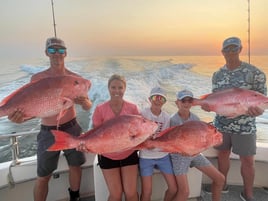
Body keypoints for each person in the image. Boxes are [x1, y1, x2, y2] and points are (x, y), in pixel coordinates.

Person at [8, 37, 92, 201]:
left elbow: (88, 106)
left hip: (72, 127)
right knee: (43, 174)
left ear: (65, 53)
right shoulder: (38, 79)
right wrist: (20, 119)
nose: (57, 54)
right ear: (47, 53)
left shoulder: (75, 79)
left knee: (75, 166)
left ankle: (74, 197)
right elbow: (32, 109)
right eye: (52, 50)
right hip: (48, 132)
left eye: (60, 50)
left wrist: (85, 102)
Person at [202, 36, 267, 201]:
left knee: (247, 160)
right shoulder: (217, 75)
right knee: (222, 154)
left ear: (240, 49)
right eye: (227, 49)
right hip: (221, 124)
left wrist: (257, 112)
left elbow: (263, 101)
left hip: (245, 127)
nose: (231, 52)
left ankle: (248, 194)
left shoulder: (255, 73)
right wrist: (207, 106)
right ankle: (221, 185)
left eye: (234, 48)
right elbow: (215, 99)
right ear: (222, 52)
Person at [170, 89, 225, 201]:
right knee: (184, 192)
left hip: (195, 154)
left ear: (192, 103)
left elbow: (201, 140)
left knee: (220, 179)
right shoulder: (172, 120)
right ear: (177, 102)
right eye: (183, 100)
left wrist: (215, 139)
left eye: (189, 100)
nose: (186, 103)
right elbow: (170, 143)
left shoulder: (195, 119)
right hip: (179, 156)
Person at [92, 74, 140, 201]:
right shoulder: (100, 109)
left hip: (129, 154)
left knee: (131, 193)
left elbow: (140, 131)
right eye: (113, 87)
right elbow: (95, 134)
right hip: (108, 156)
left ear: (125, 89)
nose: (117, 91)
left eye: (120, 87)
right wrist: (85, 144)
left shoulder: (133, 108)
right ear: (108, 88)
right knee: (116, 194)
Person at [139, 87, 177, 201]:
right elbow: (137, 134)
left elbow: (163, 137)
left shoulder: (166, 117)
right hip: (146, 157)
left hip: (163, 156)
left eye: (162, 98)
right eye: (155, 97)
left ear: (164, 102)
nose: (158, 100)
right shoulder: (142, 113)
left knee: (173, 189)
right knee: (147, 192)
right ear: (150, 99)